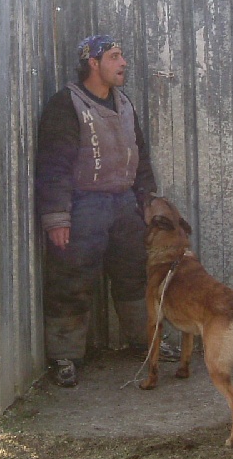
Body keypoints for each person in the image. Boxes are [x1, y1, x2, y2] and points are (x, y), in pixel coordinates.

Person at [35, 34, 178, 387]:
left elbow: (140, 155)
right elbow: (53, 166)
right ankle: (65, 356)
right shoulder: (66, 105)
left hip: (124, 205)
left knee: (135, 277)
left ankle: (147, 342)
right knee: (72, 280)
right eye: (114, 56)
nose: (123, 62)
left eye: (122, 56)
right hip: (84, 206)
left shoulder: (124, 103)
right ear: (93, 63)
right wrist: (57, 218)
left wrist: (145, 198)